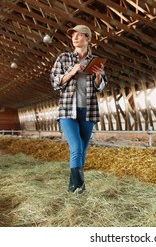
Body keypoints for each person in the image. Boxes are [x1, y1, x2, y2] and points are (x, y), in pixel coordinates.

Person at [50, 25, 107, 194]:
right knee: (76, 148)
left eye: (80, 35)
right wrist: (71, 71)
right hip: (68, 111)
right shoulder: (64, 58)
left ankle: (72, 187)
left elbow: (100, 87)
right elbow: (54, 82)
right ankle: (81, 187)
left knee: (82, 150)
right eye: (74, 35)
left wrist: (98, 76)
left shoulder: (95, 61)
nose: (75, 38)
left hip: (88, 111)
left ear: (88, 39)